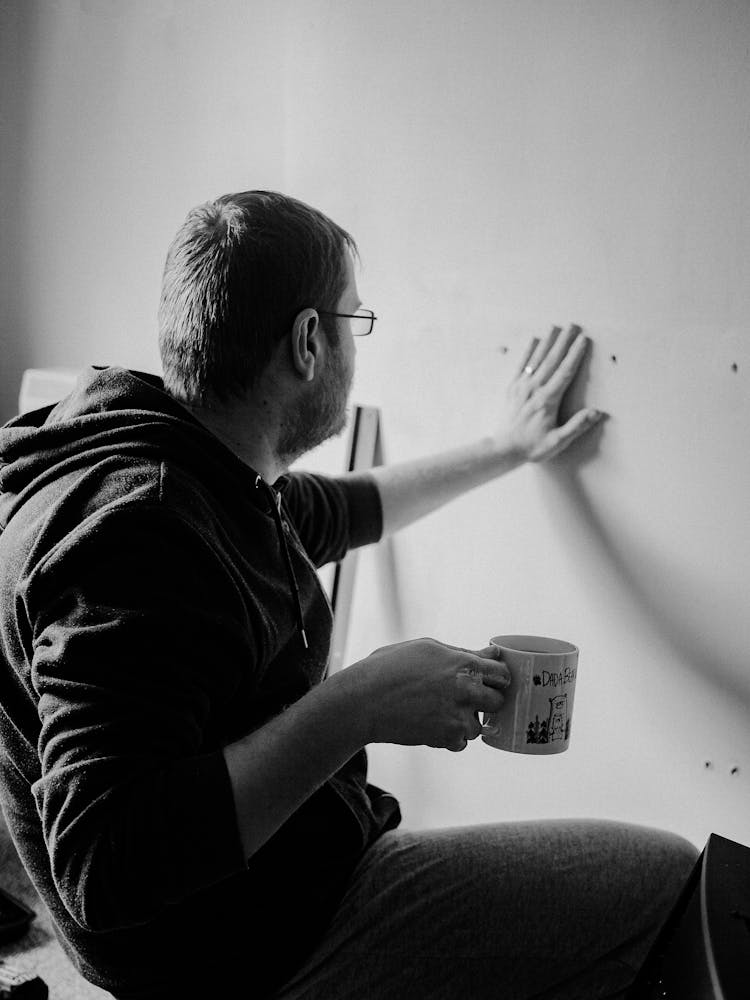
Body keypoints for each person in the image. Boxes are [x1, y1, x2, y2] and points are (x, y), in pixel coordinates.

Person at [0, 190, 697, 1000]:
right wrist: (360, 704)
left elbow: (349, 507)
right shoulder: (143, 531)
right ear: (307, 340)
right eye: (353, 322)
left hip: (255, 895)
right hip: (246, 945)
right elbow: (104, 865)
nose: (355, 343)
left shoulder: (188, 461)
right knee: (668, 880)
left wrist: (504, 447)